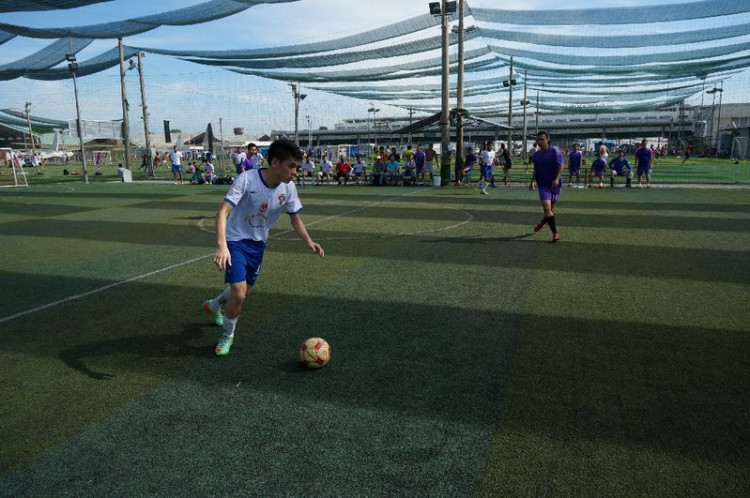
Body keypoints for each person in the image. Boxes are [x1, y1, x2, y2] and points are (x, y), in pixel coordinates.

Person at [202, 138, 324, 356]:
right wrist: (222, 246)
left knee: (243, 292)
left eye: (297, 166)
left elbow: (295, 219)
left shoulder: (289, 188)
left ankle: (215, 304)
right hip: (235, 241)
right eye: (291, 166)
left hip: (258, 245)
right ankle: (228, 335)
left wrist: (309, 241)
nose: (295, 171)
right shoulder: (247, 179)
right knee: (239, 295)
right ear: (275, 162)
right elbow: (222, 212)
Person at [529, 130, 564, 243]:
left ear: (547, 140)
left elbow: (561, 166)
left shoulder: (555, 151)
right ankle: (555, 233)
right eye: (538, 140)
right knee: (547, 208)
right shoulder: (536, 155)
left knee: (551, 209)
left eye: (542, 139)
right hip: (543, 184)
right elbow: (536, 170)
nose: (539, 142)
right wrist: (532, 182)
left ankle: (542, 222)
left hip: (555, 184)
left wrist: (557, 179)